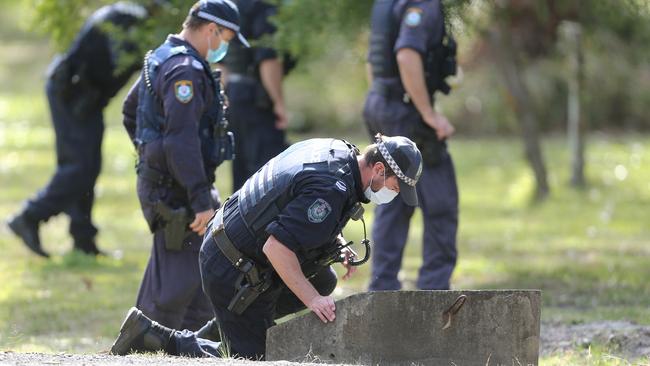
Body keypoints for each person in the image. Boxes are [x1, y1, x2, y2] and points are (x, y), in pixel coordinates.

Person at [109, 134, 423, 360]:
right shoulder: (329, 189)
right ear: (379, 171)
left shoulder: (337, 152)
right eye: (395, 188)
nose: (392, 196)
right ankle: (157, 338)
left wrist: (336, 245)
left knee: (323, 280)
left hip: (230, 246)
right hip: (231, 268)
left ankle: (236, 326)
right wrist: (312, 300)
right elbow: (276, 248)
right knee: (253, 358)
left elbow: (292, 210)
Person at [120, 0, 248, 331]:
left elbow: (130, 110)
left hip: (174, 184)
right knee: (173, 288)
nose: (225, 48)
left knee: (198, 282)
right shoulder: (185, 70)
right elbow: (182, 139)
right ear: (211, 30)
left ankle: (190, 348)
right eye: (226, 39)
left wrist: (152, 156)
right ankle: (143, 347)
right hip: (177, 194)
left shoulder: (162, 56)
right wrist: (199, 199)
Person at [6, 2, 151, 258]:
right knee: (79, 167)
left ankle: (83, 239)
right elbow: (121, 62)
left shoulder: (134, 19)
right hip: (71, 92)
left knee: (88, 166)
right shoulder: (125, 19)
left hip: (86, 97)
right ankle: (29, 216)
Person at [364, 0, 459, 291]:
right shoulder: (422, 4)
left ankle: (383, 289)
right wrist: (428, 114)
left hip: (381, 102)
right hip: (408, 114)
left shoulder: (388, 3)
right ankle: (434, 291)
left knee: (392, 195)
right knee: (440, 199)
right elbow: (406, 55)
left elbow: (372, 61)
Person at [220, 0, 290, 191]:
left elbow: (222, 62)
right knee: (268, 175)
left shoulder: (232, 6)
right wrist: (278, 103)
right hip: (256, 98)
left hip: (232, 93)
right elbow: (268, 60)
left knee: (241, 174)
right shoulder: (265, 7)